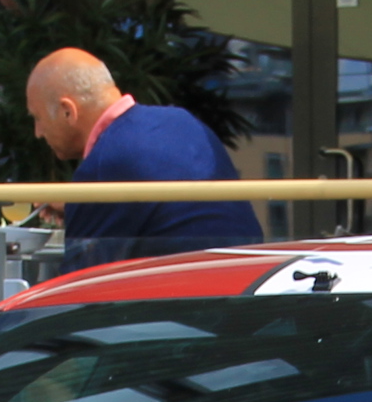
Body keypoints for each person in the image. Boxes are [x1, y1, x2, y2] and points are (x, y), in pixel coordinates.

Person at [27, 48, 262, 271]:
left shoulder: (103, 167)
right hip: (254, 280)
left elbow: (79, 286)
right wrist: (76, 206)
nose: (38, 133)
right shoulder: (183, 121)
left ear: (68, 111)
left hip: (187, 293)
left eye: (38, 118)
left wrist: (84, 202)